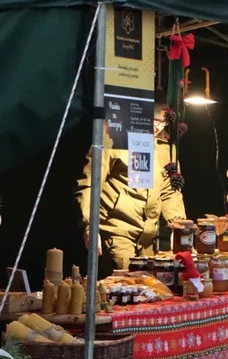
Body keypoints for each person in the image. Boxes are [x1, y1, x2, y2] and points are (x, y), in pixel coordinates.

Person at [76, 104, 187, 276]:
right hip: (116, 231)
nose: (157, 126)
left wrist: (179, 227)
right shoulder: (112, 143)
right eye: (153, 119)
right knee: (126, 282)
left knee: (149, 290)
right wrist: (91, 225)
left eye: (162, 121)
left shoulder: (166, 151)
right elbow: (90, 184)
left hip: (147, 239)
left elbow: (170, 192)